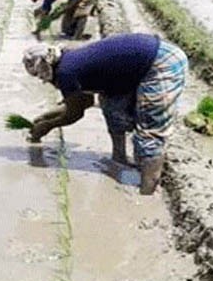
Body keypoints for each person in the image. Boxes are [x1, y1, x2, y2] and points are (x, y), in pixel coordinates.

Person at [20, 34, 188, 195]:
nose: (42, 80)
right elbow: (83, 101)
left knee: (150, 129)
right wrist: (45, 117)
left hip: (161, 63)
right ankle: (119, 158)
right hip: (137, 62)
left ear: (44, 67)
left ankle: (147, 190)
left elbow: (75, 113)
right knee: (111, 105)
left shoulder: (66, 73)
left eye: (38, 75)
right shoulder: (66, 60)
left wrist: (46, 126)